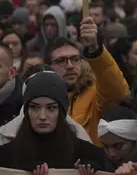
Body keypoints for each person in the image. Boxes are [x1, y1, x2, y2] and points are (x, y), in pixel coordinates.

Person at [0, 72, 107, 172]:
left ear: (61, 112)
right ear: (27, 112)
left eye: (51, 108)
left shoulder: (89, 155)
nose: (42, 116)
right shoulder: (7, 155)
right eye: (34, 108)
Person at [43, 17, 129, 145]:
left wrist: (95, 49)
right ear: (47, 66)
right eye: (61, 61)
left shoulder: (94, 95)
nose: (70, 66)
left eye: (75, 59)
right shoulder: (39, 100)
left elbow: (118, 92)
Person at [99, 106, 137, 170]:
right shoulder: (98, 165)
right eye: (105, 146)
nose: (111, 154)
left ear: (134, 142)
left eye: (118, 146)